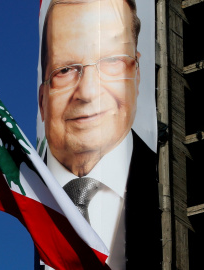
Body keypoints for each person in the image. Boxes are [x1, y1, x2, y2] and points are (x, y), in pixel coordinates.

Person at [37, 0, 161, 269]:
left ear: (136, 74)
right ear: (42, 99)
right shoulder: (29, 191)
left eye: (112, 61)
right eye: (65, 70)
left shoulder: (164, 182)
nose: (89, 93)